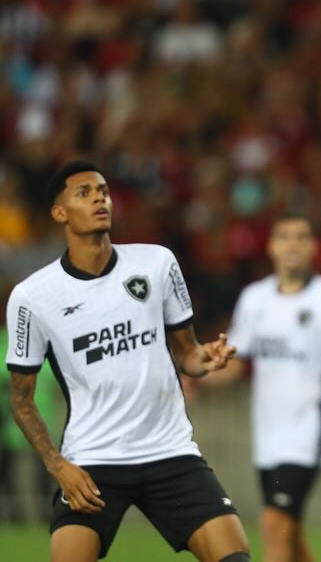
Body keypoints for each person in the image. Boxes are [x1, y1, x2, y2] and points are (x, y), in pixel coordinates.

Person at [4, 160, 249, 562]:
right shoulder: (33, 297)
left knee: (235, 558)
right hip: (93, 460)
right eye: (83, 192)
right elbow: (22, 400)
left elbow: (186, 353)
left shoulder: (156, 263)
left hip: (169, 451)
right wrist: (57, 465)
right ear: (59, 213)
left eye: (103, 190)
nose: (99, 197)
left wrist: (205, 358)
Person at [203, 214, 321, 562]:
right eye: (285, 237)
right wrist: (195, 377)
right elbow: (233, 365)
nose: (293, 244)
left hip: (308, 433)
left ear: (313, 248)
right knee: (289, 534)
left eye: (301, 237)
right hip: (268, 437)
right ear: (271, 246)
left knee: (273, 523)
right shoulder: (254, 299)